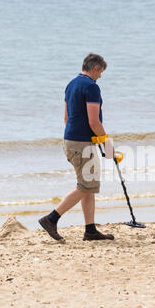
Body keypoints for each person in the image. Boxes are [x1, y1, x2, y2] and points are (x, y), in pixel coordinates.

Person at [38, 53, 115, 241]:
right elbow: (94, 122)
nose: (100, 77)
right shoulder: (91, 87)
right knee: (86, 185)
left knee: (88, 185)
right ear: (95, 68)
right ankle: (51, 218)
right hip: (82, 144)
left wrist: (81, 138)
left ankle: (90, 230)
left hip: (71, 141)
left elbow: (66, 118)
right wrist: (107, 144)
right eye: (101, 72)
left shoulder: (71, 84)